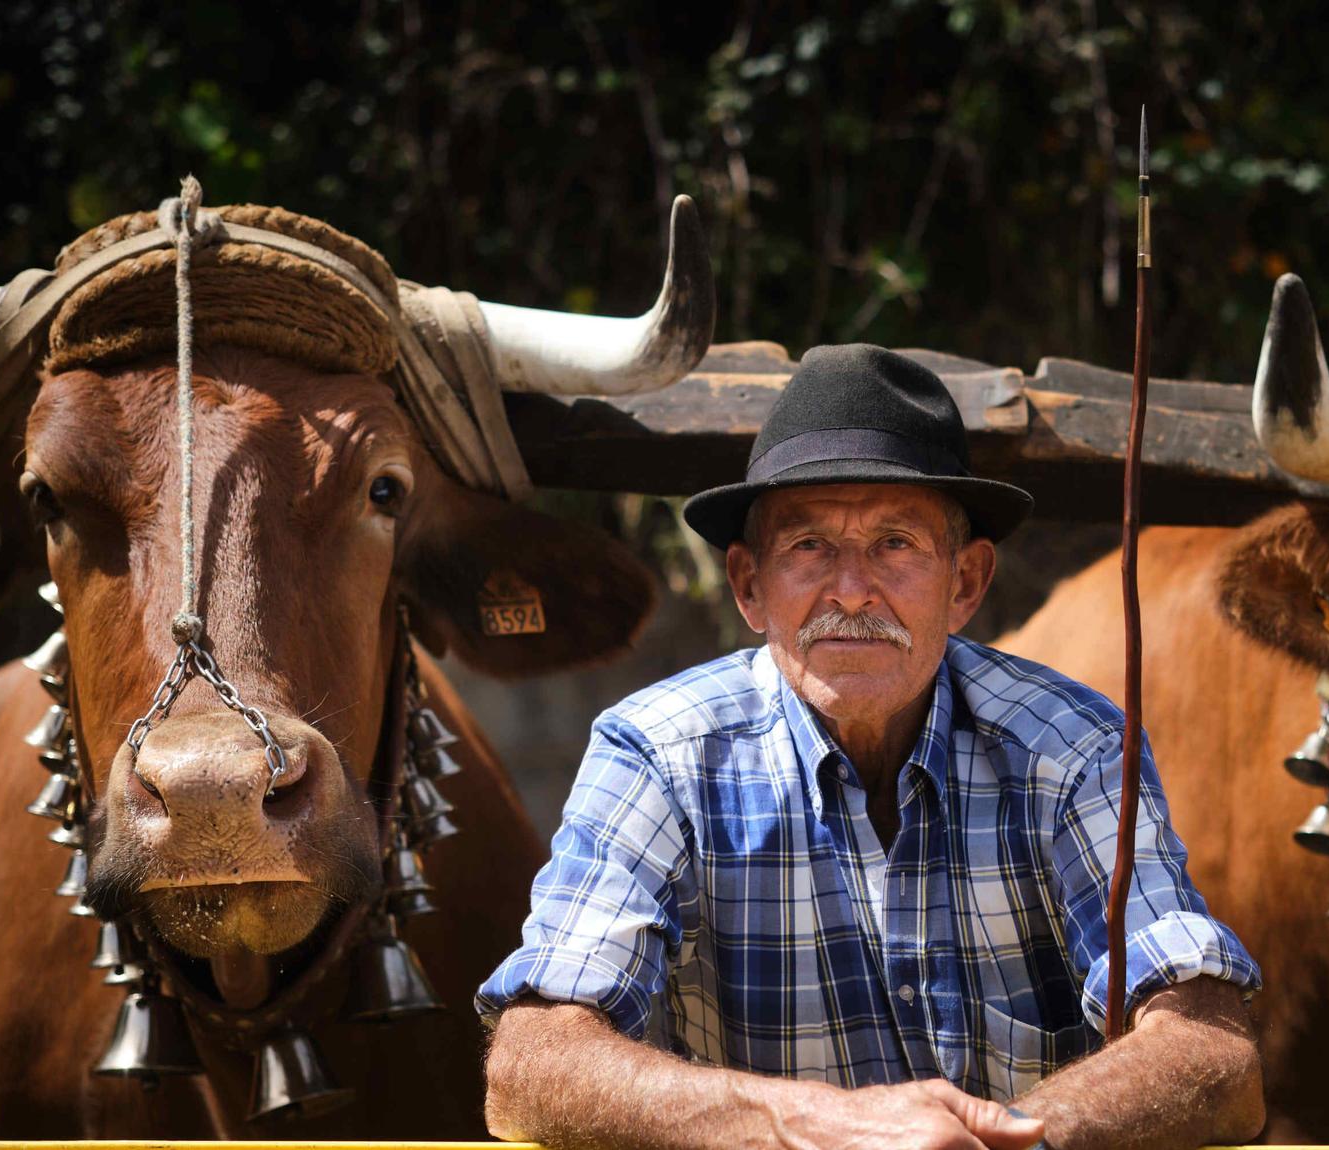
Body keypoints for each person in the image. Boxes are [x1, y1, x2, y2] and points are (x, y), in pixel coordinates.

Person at [479, 345, 1262, 1149]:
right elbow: (532, 1063)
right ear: (749, 586)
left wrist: (1013, 1137)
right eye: (809, 547)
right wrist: (805, 1124)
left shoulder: (1073, 747)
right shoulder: (658, 757)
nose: (851, 589)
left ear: (965, 583)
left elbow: (1210, 1049)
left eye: (895, 543)